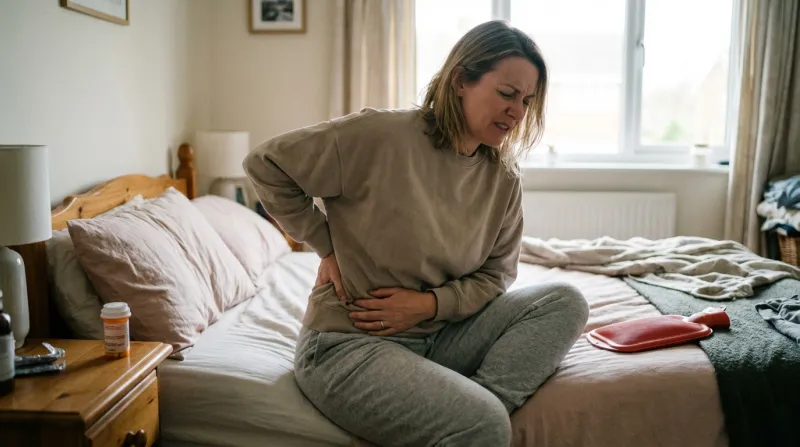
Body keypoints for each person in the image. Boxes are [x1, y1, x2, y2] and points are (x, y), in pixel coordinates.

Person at [243, 20, 589, 447]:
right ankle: (473, 419)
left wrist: (428, 305)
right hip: (350, 343)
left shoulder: (502, 178)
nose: (517, 112)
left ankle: (473, 407)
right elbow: (266, 164)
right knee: (485, 426)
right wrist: (324, 244)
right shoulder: (381, 136)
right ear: (461, 80)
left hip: (440, 334)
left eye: (527, 100)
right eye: (506, 94)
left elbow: (496, 276)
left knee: (564, 300)